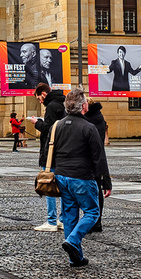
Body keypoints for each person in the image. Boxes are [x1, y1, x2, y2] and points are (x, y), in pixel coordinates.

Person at [48, 90, 112, 268]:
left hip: (62, 176)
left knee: (69, 216)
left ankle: (75, 258)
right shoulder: (89, 127)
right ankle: (73, 240)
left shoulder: (57, 125)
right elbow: (99, 157)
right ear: (84, 106)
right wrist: (106, 182)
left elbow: (49, 152)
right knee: (92, 212)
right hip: (82, 176)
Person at [29, 84, 65, 231]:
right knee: (62, 187)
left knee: (47, 184)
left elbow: (49, 130)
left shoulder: (51, 107)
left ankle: (51, 221)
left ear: (43, 94)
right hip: (61, 152)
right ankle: (63, 219)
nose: (39, 101)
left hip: (51, 153)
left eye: (39, 98)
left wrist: (36, 123)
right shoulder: (61, 104)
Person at [83, 100, 111, 233]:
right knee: (97, 189)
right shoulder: (98, 116)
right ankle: (97, 221)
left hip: (88, 159)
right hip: (97, 159)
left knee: (89, 191)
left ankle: (91, 220)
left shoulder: (88, 119)